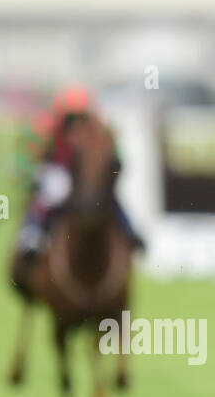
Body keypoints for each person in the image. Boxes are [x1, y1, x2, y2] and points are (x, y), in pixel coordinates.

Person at [10, 85, 144, 281]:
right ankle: (32, 233)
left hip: (85, 181)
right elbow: (22, 162)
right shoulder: (44, 129)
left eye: (81, 118)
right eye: (72, 118)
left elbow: (117, 158)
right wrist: (34, 176)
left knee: (109, 201)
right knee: (47, 198)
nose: (77, 124)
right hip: (59, 175)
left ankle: (130, 233)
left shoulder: (102, 131)